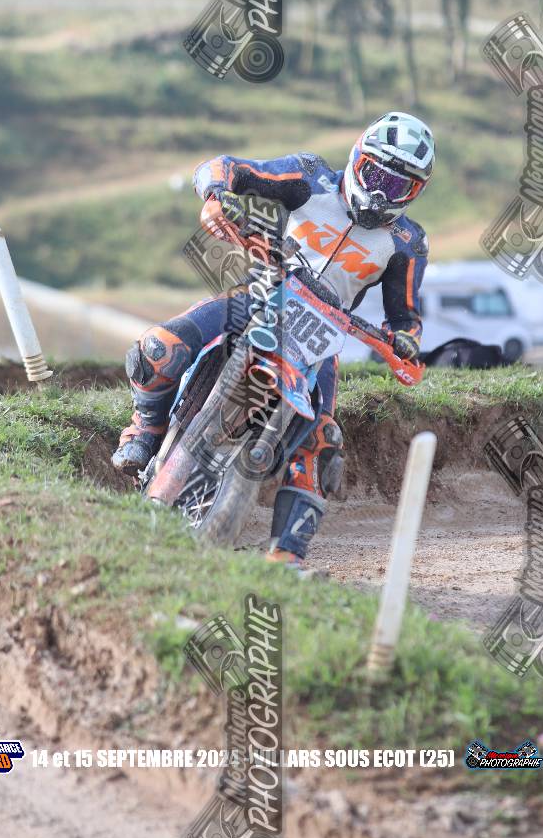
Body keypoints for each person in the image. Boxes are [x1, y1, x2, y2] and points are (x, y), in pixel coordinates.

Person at [112, 112, 435, 569]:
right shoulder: (310, 177)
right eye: (376, 175)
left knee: (323, 442)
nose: (382, 192)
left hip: (324, 336)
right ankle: (145, 429)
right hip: (262, 293)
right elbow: (225, 167)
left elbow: (406, 317)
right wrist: (217, 195)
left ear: (416, 192)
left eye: (398, 186)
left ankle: (287, 556)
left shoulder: (408, 242)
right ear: (356, 158)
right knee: (159, 349)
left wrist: (404, 342)